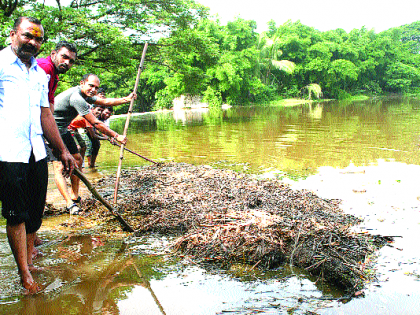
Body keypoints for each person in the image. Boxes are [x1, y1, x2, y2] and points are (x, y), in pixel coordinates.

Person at [0, 16, 75, 294]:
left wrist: (63, 150)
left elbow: (46, 114)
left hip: (36, 152)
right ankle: (24, 276)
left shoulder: (40, 74)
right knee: (16, 214)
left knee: (34, 212)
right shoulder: (1, 64)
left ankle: (29, 262)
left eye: (38, 38)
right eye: (27, 36)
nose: (32, 42)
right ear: (13, 34)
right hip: (8, 152)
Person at [52, 74, 135, 214]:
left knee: (77, 160)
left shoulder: (85, 95)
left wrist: (125, 99)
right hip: (50, 129)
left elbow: (105, 102)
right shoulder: (77, 98)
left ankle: (75, 196)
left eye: (96, 87)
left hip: (63, 129)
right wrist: (116, 135)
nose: (93, 89)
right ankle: (69, 204)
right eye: (91, 85)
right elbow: (95, 123)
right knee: (59, 166)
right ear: (82, 83)